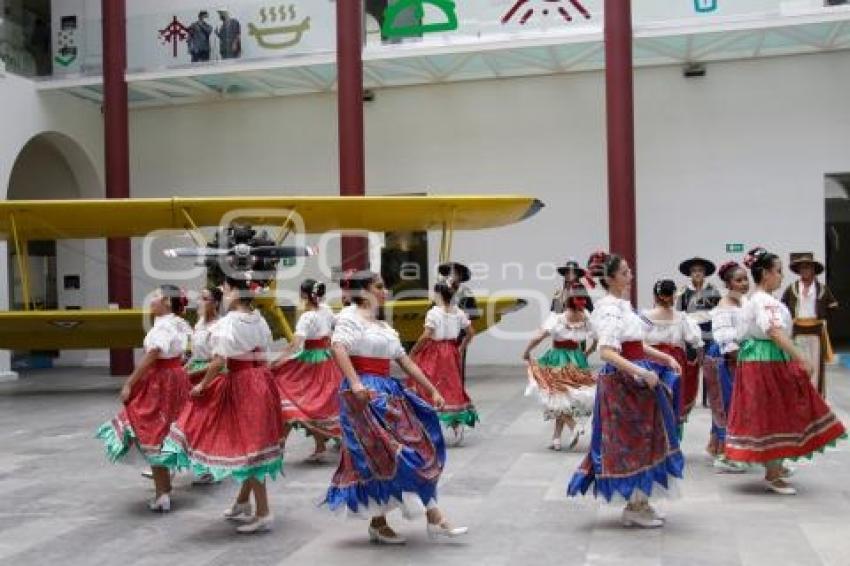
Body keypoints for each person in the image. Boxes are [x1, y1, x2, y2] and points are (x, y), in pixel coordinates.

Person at [323, 271, 467, 544]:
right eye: (379, 286)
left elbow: (405, 361)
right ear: (364, 291)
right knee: (385, 454)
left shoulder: (383, 327)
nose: (385, 290)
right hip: (363, 395)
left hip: (387, 393)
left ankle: (423, 517)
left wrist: (432, 389)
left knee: (417, 448)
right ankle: (424, 518)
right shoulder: (349, 318)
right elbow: (338, 347)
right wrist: (355, 384)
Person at [568, 254, 684, 529]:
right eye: (623, 273)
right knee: (631, 441)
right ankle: (634, 505)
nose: (629, 276)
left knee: (645, 438)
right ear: (609, 278)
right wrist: (640, 371)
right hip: (623, 383)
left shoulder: (623, 306)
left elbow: (636, 344)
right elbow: (607, 351)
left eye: (629, 271)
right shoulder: (608, 309)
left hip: (635, 378)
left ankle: (640, 502)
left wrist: (663, 358)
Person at [162, 275, 283, 533]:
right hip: (260, 380)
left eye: (226, 290)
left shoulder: (229, 323)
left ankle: (263, 511)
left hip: (241, 383)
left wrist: (202, 385)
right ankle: (244, 502)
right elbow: (263, 352)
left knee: (249, 447)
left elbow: (218, 362)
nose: (224, 294)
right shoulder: (258, 318)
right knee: (252, 445)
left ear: (236, 294)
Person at [725, 247, 846, 495]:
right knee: (773, 411)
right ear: (766, 274)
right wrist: (802, 357)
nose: (781, 276)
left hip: (763, 358)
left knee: (775, 410)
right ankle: (773, 471)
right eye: (778, 271)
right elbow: (774, 332)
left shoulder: (759, 299)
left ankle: (775, 463)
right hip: (765, 360)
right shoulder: (764, 301)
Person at [95, 285, 191, 512]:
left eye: (157, 296)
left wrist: (130, 382)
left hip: (161, 381)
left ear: (167, 301)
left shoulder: (165, 326)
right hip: (174, 377)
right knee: (163, 430)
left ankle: (162, 493)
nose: (152, 299)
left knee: (152, 430)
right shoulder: (176, 323)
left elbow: (153, 355)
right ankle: (164, 489)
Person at [272, 279, 340, 462]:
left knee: (296, 401)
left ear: (304, 294)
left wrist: (277, 361)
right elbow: (336, 327)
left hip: (312, 362)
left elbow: (295, 344)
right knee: (313, 404)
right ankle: (319, 445)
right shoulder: (325, 309)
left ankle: (279, 446)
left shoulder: (307, 316)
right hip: (327, 359)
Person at [523, 282, 596, 451]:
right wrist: (588, 353)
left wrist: (526, 352)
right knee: (563, 399)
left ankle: (574, 426)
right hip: (577, 359)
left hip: (558, 359)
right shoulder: (585, 316)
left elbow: (538, 336)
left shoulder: (558, 318)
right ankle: (556, 438)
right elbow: (598, 337)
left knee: (555, 398)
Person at [409, 281, 477, 446]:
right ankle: (456, 425)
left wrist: (413, 351)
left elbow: (426, 335)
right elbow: (470, 332)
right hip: (451, 350)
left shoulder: (434, 313)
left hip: (434, 351)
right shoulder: (458, 312)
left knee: (427, 383)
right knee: (451, 386)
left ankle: (427, 428)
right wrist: (460, 347)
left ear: (438, 294)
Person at [702, 261, 748, 473]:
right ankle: (726, 454)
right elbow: (726, 342)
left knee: (735, 404)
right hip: (723, 359)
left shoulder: (743, 303)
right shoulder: (723, 307)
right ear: (728, 283)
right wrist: (742, 360)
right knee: (726, 404)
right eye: (738, 280)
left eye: (745, 278)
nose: (744, 283)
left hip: (738, 358)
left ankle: (719, 447)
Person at [643, 279, 703, 432]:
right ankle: (673, 440)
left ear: (656, 296)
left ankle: (654, 440)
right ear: (673, 296)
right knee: (674, 397)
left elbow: (638, 340)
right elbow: (695, 341)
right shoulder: (682, 318)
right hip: (676, 361)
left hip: (652, 359)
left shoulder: (646, 317)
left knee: (652, 398)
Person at [780, 252, 839, 396]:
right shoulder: (792, 288)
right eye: (802, 268)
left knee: (816, 366)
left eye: (808, 267)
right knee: (798, 364)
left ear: (814, 270)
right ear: (798, 271)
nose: (805, 270)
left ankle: (816, 397)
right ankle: (799, 396)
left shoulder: (822, 289)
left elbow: (834, 306)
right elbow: (782, 307)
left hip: (816, 331)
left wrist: (823, 318)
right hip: (797, 331)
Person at [676, 256, 721, 414]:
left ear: (705, 273)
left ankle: (710, 398)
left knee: (709, 364)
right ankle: (690, 396)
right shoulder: (683, 292)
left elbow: (720, 310)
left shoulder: (713, 290)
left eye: (700, 271)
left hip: (709, 329)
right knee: (691, 364)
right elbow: (679, 313)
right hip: (690, 330)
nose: (697, 273)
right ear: (690, 273)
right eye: (694, 271)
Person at [438, 261, 478, 385]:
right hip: (441, 335)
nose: (450, 276)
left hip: (458, 335)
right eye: (448, 273)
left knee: (457, 365)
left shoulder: (465, 292)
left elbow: (472, 313)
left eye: (453, 272)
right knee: (441, 368)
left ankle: (459, 396)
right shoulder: (440, 290)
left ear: (460, 276)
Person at [185, 286, 223, 381]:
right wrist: (184, 369)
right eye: (199, 298)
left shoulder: (220, 325)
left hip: (212, 377)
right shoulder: (199, 324)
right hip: (194, 372)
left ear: (215, 303)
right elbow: (195, 354)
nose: (200, 302)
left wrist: (192, 372)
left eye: (205, 299)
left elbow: (219, 362)